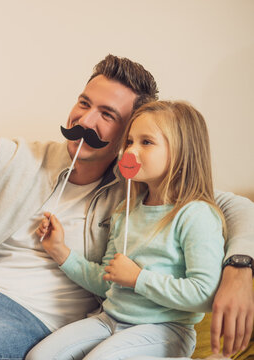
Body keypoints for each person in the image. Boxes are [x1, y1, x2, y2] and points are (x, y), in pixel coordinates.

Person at [0, 54, 254, 359]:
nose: (84, 119)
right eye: (84, 103)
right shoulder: (15, 156)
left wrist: (240, 267)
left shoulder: (136, 190)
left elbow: (230, 206)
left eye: (107, 115)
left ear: (128, 135)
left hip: (30, 319)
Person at [27, 100, 225, 359]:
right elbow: (107, 281)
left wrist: (138, 278)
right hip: (110, 320)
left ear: (182, 151)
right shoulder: (125, 211)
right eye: (130, 141)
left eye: (146, 142)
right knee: (38, 357)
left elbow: (204, 295)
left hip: (165, 330)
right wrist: (60, 251)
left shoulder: (195, 215)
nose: (130, 150)